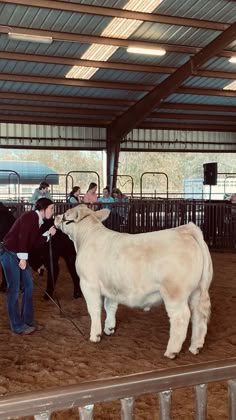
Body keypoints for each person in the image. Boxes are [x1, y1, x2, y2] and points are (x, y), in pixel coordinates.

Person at [0, 198, 56, 335]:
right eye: (51, 208)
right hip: (10, 253)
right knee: (13, 289)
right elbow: (22, 236)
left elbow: (35, 242)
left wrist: (48, 234)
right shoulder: (30, 217)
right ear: (43, 209)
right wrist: (23, 258)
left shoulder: (36, 220)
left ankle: (28, 321)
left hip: (17, 253)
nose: (52, 212)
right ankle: (17, 325)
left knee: (28, 286)